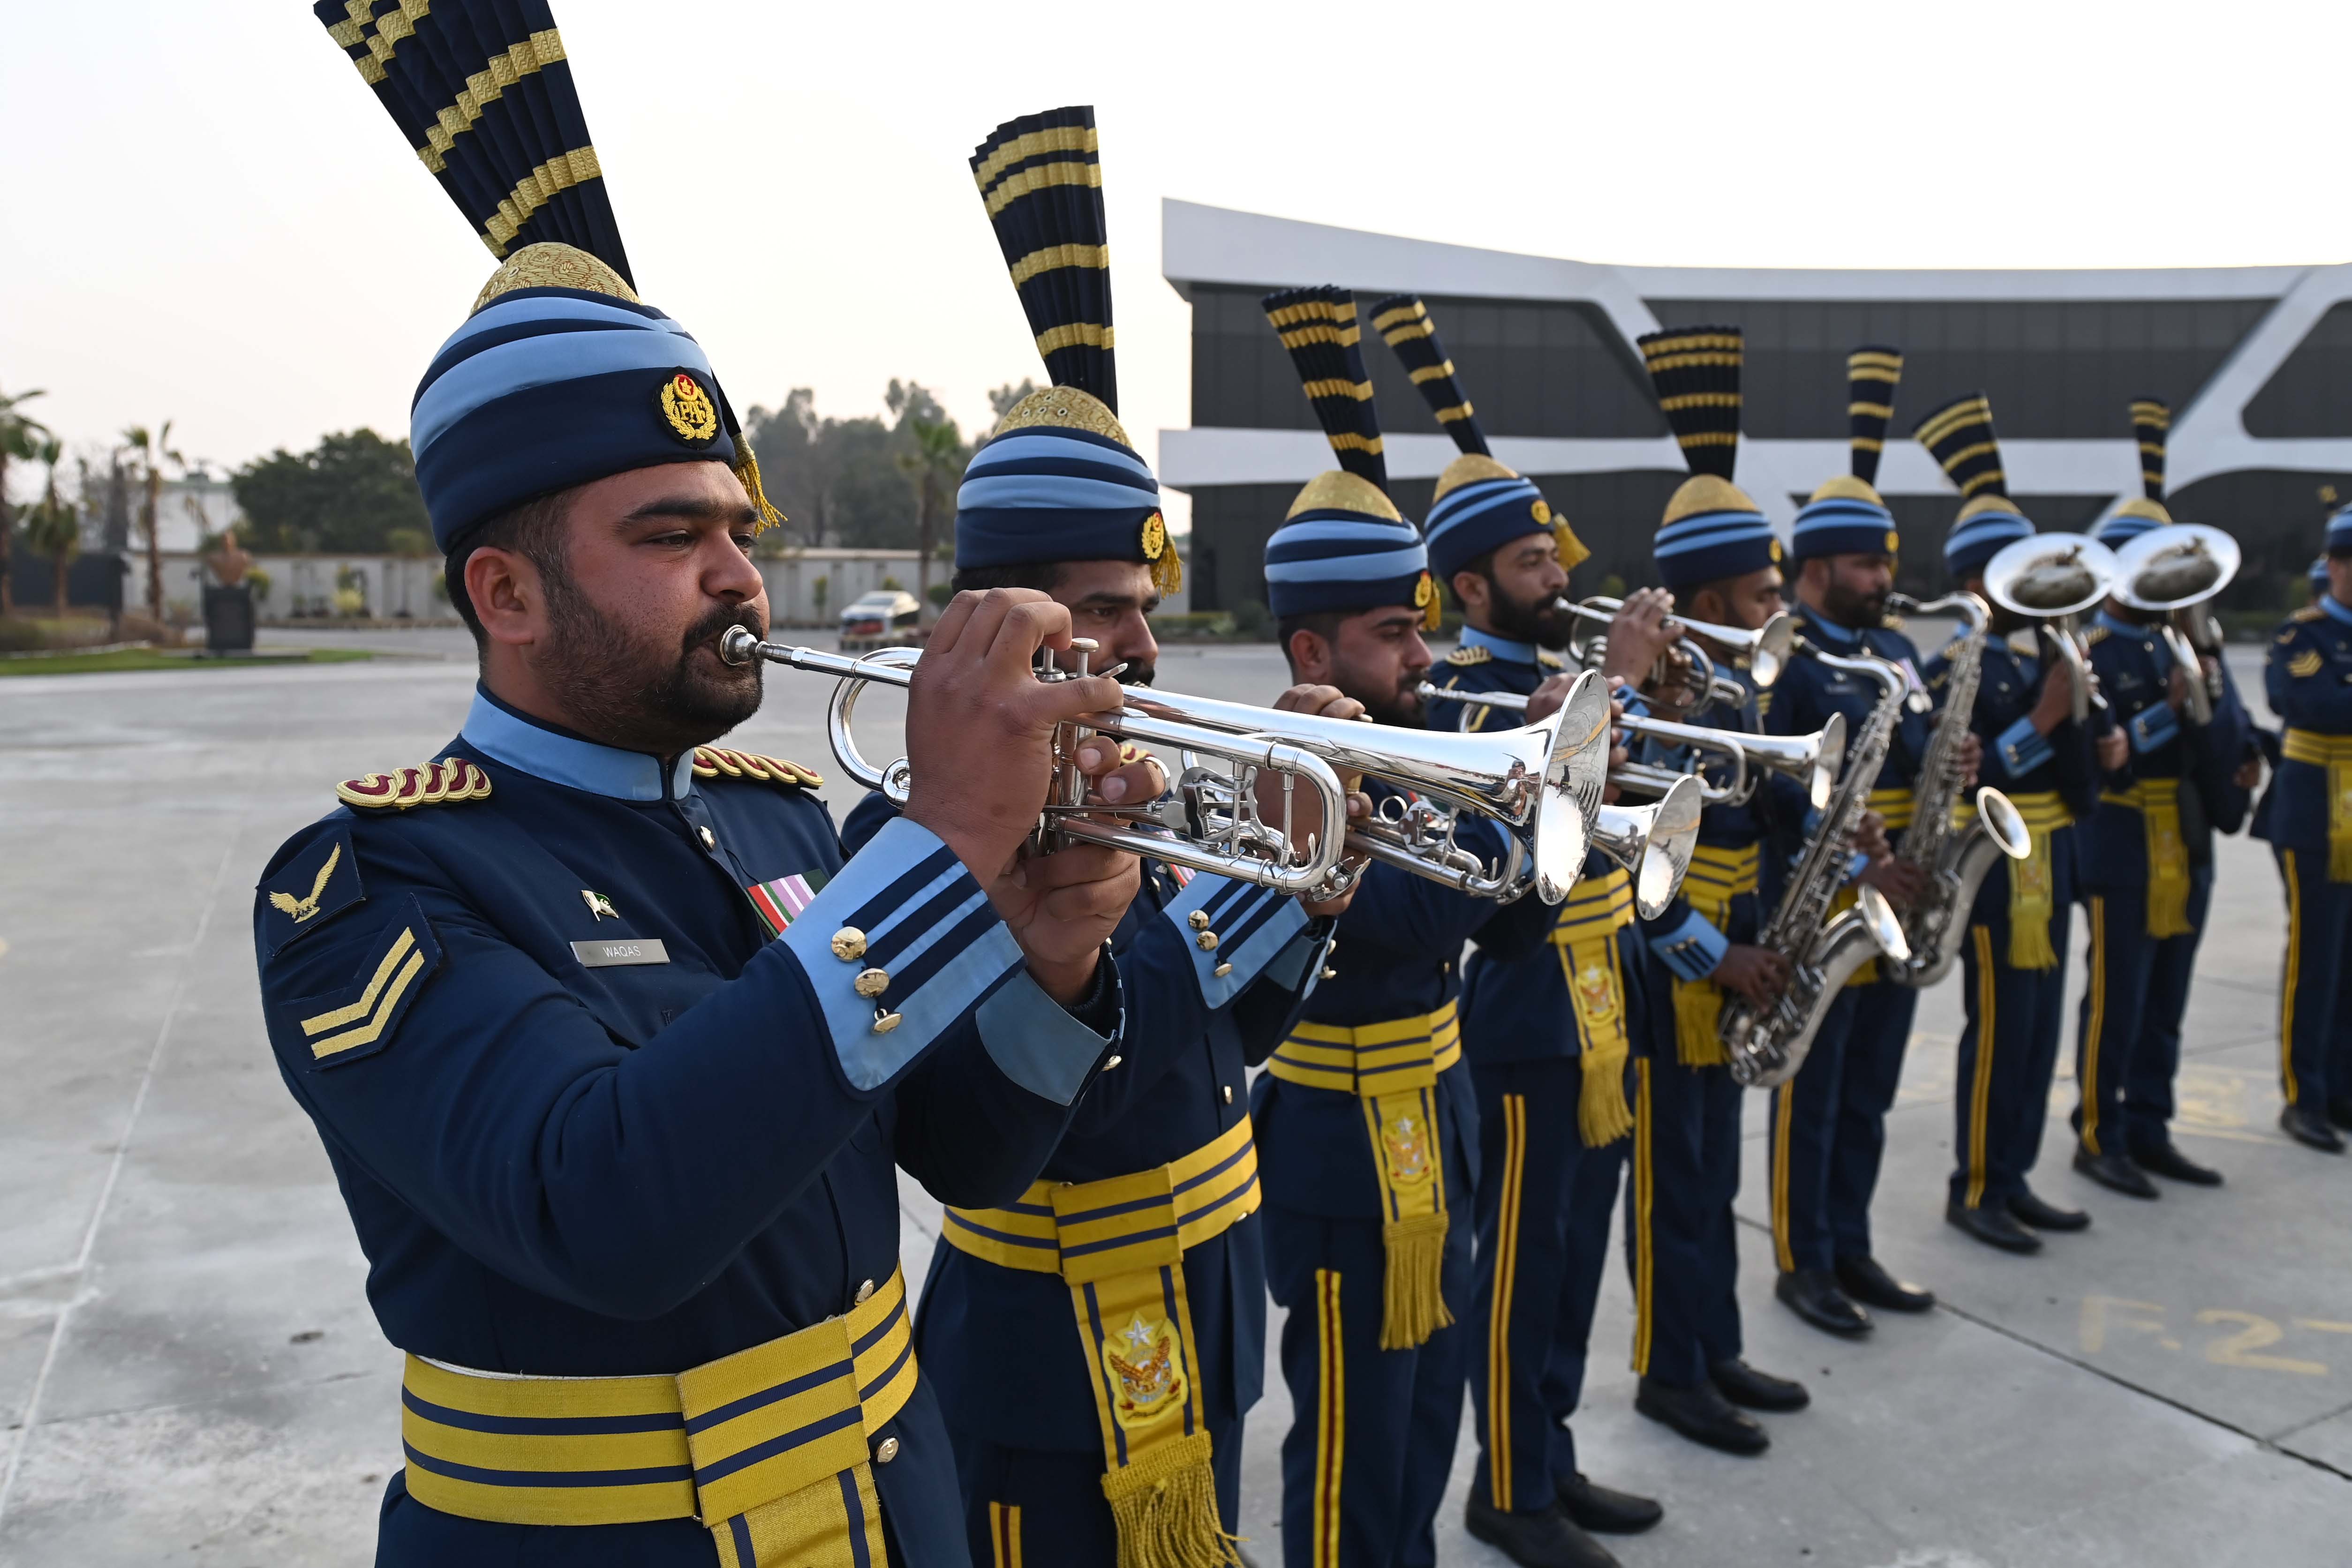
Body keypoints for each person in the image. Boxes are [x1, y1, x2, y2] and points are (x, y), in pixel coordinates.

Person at [270, 23, 1156, 1565]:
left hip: (898, 1513)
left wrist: (1052, 952)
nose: (740, 573)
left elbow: (964, 1158)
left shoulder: (773, 817)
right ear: (507, 593)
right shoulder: (371, 888)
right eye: (672, 534)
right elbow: (608, 1212)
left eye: (739, 527)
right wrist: (947, 840)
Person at [855, 110, 1347, 1568]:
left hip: (1207, 1301)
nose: (1141, 645)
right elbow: (996, 1129)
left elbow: (1228, 1036)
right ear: (996, 617)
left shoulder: (1145, 789)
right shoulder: (902, 833)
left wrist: (1311, 887)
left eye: (1143, 607)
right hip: (1041, 1346)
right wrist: (1109, 924)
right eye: (1105, 609)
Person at [1244, 285, 1559, 1568]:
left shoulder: (1419, 750)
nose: (1423, 656)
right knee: (1351, 1455)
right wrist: (1497, 823)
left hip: (1441, 1115)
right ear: (1314, 651)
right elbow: (1414, 922)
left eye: (1423, 624)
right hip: (1337, 1153)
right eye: (1394, 632)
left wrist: (1537, 827)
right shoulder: (1283, 780)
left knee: (1425, 1427)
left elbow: (1509, 930)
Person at [1390, 296, 1671, 1568]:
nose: (1558, 579)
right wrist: (1615, 693)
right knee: (1518, 1260)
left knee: (1574, 1254)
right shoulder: (1465, 694)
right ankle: (1507, 1486)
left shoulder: (1558, 677)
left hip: (1601, 998)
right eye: (1530, 565)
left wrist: (1642, 694)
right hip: (1520, 1018)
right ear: (1470, 587)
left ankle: (1547, 1456)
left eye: (1556, 560)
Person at [1618, 325, 1811, 1453]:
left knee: (1715, 1169)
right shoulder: (1653, 699)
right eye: (1758, 596)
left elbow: (1758, 814)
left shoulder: (1738, 687)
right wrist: (1715, 952)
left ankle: (1716, 1345)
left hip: (1735, 946)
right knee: (1671, 1180)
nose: (1773, 613)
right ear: (1701, 598)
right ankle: (1668, 1369)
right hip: (1671, 965)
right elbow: (1628, 861)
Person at [1762, 346, 1958, 1335]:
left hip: (1898, 891)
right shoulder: (1789, 661)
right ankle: (1803, 1262)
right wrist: (1857, 860)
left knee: (1871, 1087)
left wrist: (1954, 763)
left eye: (1887, 561)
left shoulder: (1894, 648)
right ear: (1816, 570)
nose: (1886, 578)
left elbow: (1917, 749)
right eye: (1868, 565)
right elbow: (1777, 791)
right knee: (1816, 1087)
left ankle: (1851, 1244)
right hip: (1828, 900)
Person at [1913, 393, 2120, 1251]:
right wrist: (2044, 719)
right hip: (1996, 863)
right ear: (1977, 582)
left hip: (2054, 851)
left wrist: (2097, 732)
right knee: (2000, 1026)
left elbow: (2082, 777)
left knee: (2040, 1028)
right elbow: (1963, 772)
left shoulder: (2049, 653)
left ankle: (2016, 1174)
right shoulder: (1955, 664)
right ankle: (1977, 1185)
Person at [2070, 400, 2256, 1190]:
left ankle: (2151, 1126)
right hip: (2121, 844)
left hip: (2187, 838)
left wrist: (2215, 697)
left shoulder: (2184, 639)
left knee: (2169, 997)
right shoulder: (2094, 649)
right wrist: (2167, 713)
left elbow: (2230, 733)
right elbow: (2099, 749)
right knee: (2118, 999)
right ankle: (2098, 1132)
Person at [2262, 501, 2352, 1151]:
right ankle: (2304, 1094)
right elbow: (2310, 703)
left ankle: (2340, 1087)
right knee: (2315, 955)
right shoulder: (2303, 634)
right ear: (2335, 566)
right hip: (2314, 811)